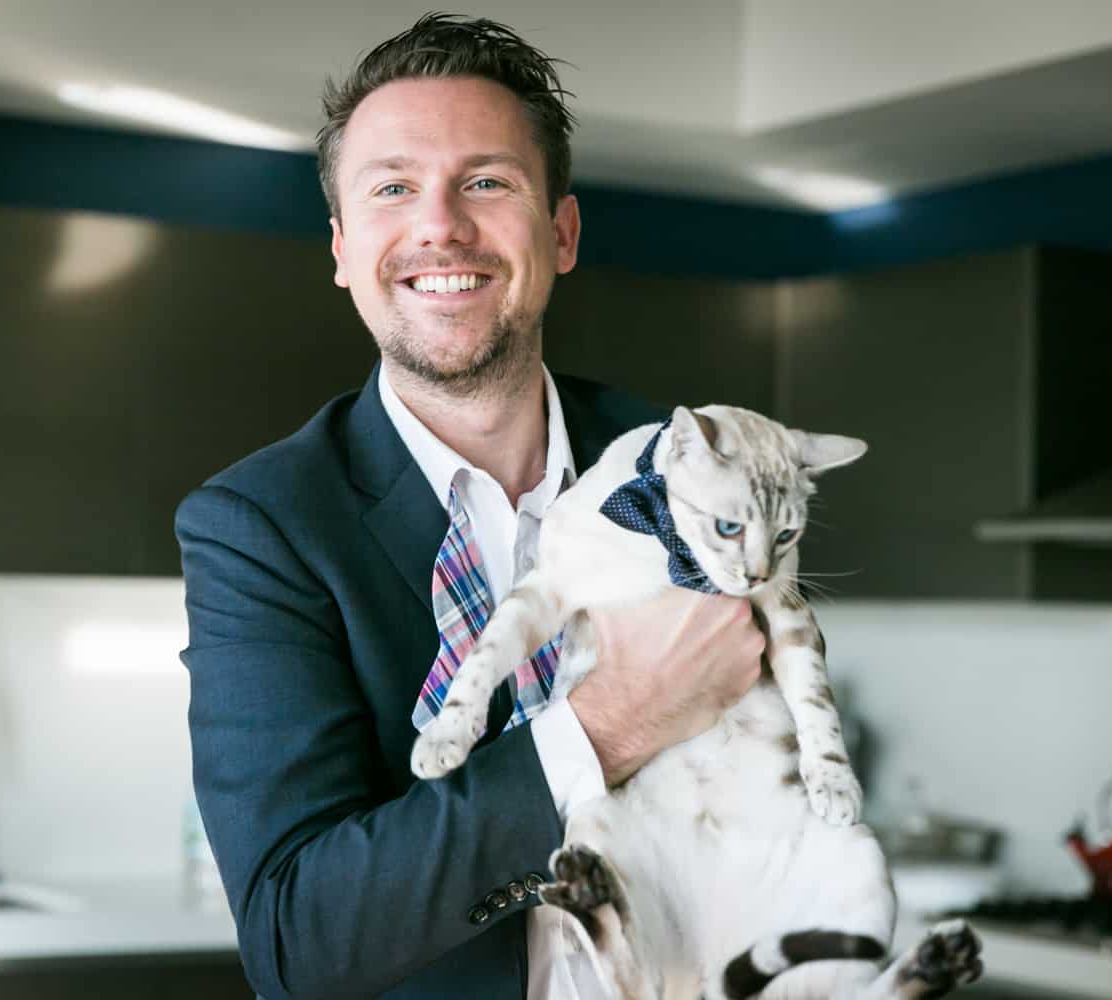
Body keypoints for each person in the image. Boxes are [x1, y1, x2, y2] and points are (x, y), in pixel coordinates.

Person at [176, 14, 765, 998]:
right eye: (393, 188)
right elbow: (297, 938)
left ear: (562, 233)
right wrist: (603, 729)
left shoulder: (687, 463)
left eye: (487, 182)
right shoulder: (263, 526)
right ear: (342, 246)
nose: (440, 225)